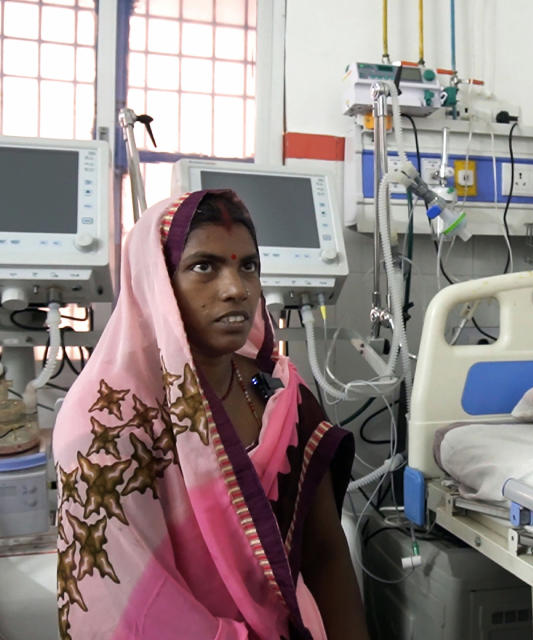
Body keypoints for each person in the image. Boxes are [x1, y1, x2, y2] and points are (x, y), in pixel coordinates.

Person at [53, 190, 369, 639]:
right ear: (158, 281)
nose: (235, 289)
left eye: (248, 266)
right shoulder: (105, 423)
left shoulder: (271, 388)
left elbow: (324, 550)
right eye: (204, 266)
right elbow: (123, 607)